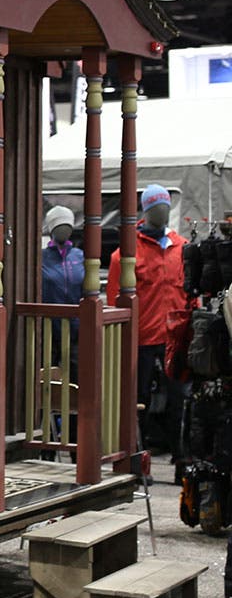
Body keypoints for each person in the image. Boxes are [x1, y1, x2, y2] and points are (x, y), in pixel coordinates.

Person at [108, 184, 187, 454]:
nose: (162, 213)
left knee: (179, 399)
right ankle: (138, 456)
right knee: (138, 400)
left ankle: (180, 458)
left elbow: (188, 292)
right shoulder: (126, 255)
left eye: (165, 207)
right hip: (141, 337)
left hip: (176, 337)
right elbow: (113, 299)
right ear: (146, 210)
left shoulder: (181, 248)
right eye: (156, 208)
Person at [40, 205, 82, 383]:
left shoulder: (79, 256)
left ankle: (73, 409)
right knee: (47, 367)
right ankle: (45, 409)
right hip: (49, 323)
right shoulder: (41, 257)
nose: (64, 231)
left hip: (75, 323)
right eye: (59, 227)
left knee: (75, 369)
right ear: (51, 229)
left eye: (67, 227)